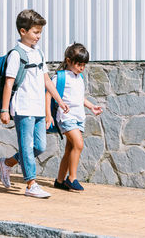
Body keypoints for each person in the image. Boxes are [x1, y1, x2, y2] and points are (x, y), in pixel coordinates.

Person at [0, 9, 69, 198]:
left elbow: (46, 80)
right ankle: (31, 184)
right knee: (26, 146)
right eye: (35, 32)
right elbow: (9, 82)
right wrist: (5, 110)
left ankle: (7, 163)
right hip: (23, 106)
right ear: (23, 31)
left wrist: (59, 101)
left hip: (37, 107)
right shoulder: (16, 54)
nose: (39, 36)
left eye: (40, 32)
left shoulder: (39, 53)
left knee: (40, 146)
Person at [46, 43, 103, 191]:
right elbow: (48, 94)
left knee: (70, 148)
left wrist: (91, 106)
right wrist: (48, 115)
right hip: (66, 117)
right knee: (79, 144)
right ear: (69, 60)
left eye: (84, 65)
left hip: (78, 117)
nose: (81, 67)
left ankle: (59, 181)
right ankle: (72, 178)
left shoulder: (79, 77)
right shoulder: (60, 76)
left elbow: (79, 98)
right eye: (79, 64)